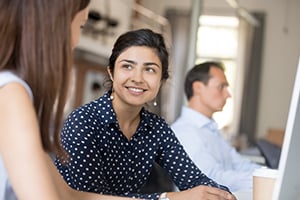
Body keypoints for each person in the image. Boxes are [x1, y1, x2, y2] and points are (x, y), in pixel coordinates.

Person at [55, 29, 237, 200]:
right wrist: (168, 197)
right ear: (111, 72)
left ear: (161, 80)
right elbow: (89, 198)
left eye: (149, 69)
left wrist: (222, 195)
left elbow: (193, 179)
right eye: (127, 66)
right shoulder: (83, 123)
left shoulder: (156, 128)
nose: (137, 78)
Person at [0, 1, 135, 200]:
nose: (76, 40)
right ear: (52, 27)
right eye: (80, 26)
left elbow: (68, 194)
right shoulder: (11, 93)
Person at [171, 61, 261, 192]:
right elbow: (211, 179)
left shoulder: (210, 129)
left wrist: (272, 175)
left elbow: (239, 164)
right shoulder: (184, 132)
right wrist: (265, 180)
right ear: (198, 88)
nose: (228, 94)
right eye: (221, 87)